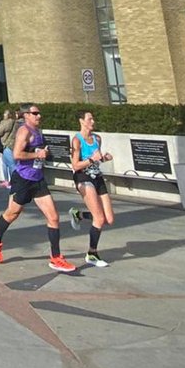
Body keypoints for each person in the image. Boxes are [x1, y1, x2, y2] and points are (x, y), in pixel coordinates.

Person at [0, 104, 77, 272]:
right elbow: (17, 155)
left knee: (54, 217)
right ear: (26, 115)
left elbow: (38, 151)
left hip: (38, 180)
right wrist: (37, 154)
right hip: (23, 179)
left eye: (39, 113)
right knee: (12, 213)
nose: (39, 116)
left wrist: (45, 153)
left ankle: (56, 258)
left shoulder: (37, 130)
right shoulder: (24, 131)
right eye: (35, 113)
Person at [68, 110, 115, 266]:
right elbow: (75, 165)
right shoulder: (77, 140)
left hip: (97, 176)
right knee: (99, 218)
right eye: (90, 119)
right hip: (83, 178)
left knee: (108, 219)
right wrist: (91, 159)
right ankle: (92, 254)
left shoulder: (97, 138)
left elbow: (97, 160)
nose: (93, 121)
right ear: (82, 121)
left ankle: (79, 214)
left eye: (93, 118)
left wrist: (103, 158)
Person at [0, 107, 18, 188]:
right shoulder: (15, 122)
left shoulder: (6, 122)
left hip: (7, 145)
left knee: (10, 165)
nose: (4, 115)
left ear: (9, 115)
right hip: (11, 144)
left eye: (5, 113)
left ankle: (11, 182)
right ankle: (7, 181)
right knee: (5, 164)